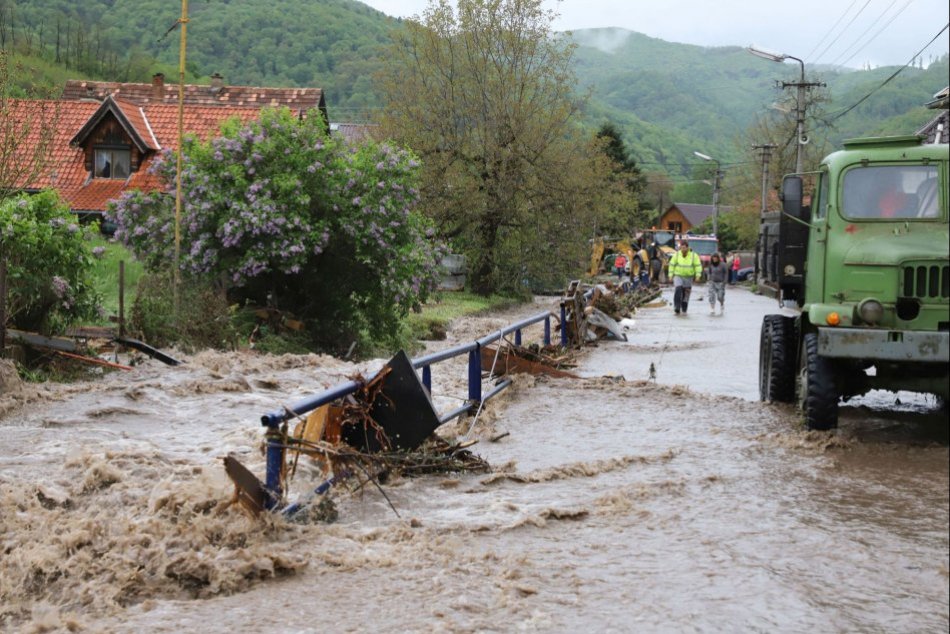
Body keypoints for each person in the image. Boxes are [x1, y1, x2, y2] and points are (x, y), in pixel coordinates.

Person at [669, 240, 702, 315]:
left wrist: (698, 276)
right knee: (678, 288)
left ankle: (684, 308)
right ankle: (676, 307)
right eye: (681, 248)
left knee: (686, 294)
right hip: (678, 275)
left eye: (684, 248)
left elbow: (698, 266)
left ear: (687, 248)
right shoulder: (677, 255)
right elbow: (672, 265)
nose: (682, 250)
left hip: (688, 277)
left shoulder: (694, 256)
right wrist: (670, 275)